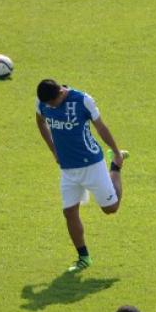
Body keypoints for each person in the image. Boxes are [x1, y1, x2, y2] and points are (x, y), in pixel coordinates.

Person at [36, 79, 125, 272]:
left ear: (60, 93)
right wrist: (53, 150)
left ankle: (116, 167)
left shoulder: (83, 100)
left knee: (111, 208)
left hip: (92, 164)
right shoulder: (43, 101)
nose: (50, 107)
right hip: (67, 169)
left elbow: (100, 127)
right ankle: (83, 257)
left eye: (52, 103)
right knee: (69, 212)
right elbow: (40, 120)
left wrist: (116, 151)